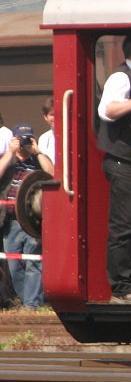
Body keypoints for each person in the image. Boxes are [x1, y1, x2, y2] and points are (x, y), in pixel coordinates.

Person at [96, 32, 131, 305]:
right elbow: (106, 110)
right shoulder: (122, 78)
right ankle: (121, 288)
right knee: (124, 227)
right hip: (123, 161)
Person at [0, 123, 54, 309]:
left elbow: (53, 175)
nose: (24, 144)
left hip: (32, 220)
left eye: (27, 139)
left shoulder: (39, 160)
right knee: (14, 265)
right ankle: (26, 301)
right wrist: (9, 153)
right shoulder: (7, 161)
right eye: (20, 139)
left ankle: (32, 305)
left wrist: (37, 152)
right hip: (10, 221)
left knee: (33, 262)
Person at [37, 97, 55, 162]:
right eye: (52, 114)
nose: (55, 118)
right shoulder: (43, 138)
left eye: (59, 115)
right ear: (45, 117)